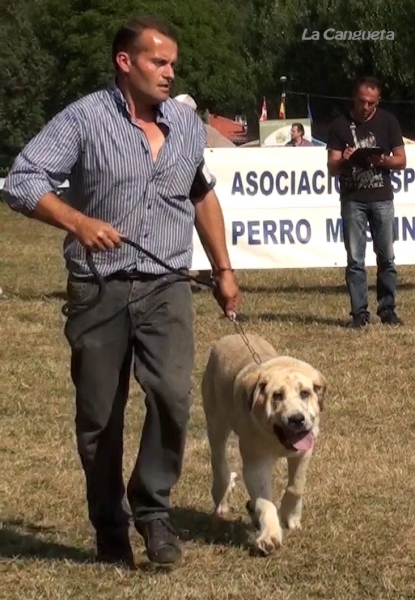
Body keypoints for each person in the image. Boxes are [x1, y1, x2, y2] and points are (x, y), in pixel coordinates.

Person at [2, 15, 241, 568]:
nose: (169, 72)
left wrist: (224, 269)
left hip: (167, 287)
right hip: (99, 289)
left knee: (172, 398)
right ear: (125, 62)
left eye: (173, 63)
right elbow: (24, 180)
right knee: (99, 417)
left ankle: (154, 512)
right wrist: (78, 222)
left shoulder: (183, 124)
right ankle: (110, 525)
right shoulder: (85, 118)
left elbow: (200, 195)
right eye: (159, 61)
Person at [327, 76, 406, 328]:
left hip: (382, 197)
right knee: (355, 260)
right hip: (353, 200)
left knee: (387, 257)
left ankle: (388, 309)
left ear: (378, 101)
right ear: (354, 97)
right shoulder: (340, 125)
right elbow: (331, 167)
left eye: (371, 103)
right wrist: (346, 161)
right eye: (362, 101)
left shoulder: (388, 121)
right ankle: (359, 314)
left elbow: (401, 160)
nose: (366, 107)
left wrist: (380, 159)